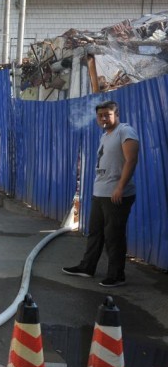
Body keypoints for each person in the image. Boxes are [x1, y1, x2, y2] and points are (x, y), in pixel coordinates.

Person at [63, 100, 139, 288]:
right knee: (95, 233)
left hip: (116, 194)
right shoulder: (105, 136)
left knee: (114, 236)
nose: (103, 118)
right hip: (101, 193)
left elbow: (131, 160)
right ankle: (87, 267)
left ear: (116, 114)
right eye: (100, 115)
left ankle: (116, 275)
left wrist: (120, 187)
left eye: (108, 114)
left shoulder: (125, 131)